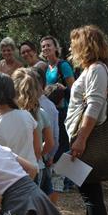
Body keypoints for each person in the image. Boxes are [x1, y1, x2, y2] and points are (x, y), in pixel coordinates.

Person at [65, 25, 108, 215]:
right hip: (83, 137)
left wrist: (81, 139)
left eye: (75, 44)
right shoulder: (91, 70)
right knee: (89, 190)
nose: (72, 49)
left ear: (86, 46)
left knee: (91, 192)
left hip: (88, 139)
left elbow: (93, 106)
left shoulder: (96, 70)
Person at [12, 68, 56, 202]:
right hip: (38, 167)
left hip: (15, 169)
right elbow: (50, 143)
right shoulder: (41, 113)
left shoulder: (10, 115)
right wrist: (40, 153)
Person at [0, 73, 39, 169]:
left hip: (6, 179)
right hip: (30, 174)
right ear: (13, 93)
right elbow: (37, 148)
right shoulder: (27, 116)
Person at [41, 35, 75, 191]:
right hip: (51, 110)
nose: (46, 48)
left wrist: (62, 89)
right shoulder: (46, 68)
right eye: (43, 46)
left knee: (64, 144)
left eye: (49, 45)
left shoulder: (63, 65)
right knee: (56, 142)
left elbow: (74, 89)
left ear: (56, 48)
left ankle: (66, 181)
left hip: (64, 110)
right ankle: (57, 180)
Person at [33, 67, 64, 204]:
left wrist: (47, 155)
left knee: (43, 193)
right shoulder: (49, 105)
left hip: (40, 158)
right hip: (43, 157)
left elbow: (53, 138)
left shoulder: (44, 107)